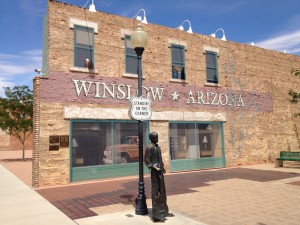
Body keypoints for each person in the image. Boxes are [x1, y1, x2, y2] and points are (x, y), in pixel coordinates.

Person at [145, 132, 171, 222]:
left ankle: (163, 210)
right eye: (156, 138)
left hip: (160, 171)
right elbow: (147, 160)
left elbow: (160, 158)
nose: (157, 139)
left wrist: (162, 167)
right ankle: (156, 213)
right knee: (155, 191)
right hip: (154, 172)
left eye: (157, 137)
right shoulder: (149, 147)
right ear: (152, 138)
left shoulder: (158, 147)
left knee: (162, 190)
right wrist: (154, 167)